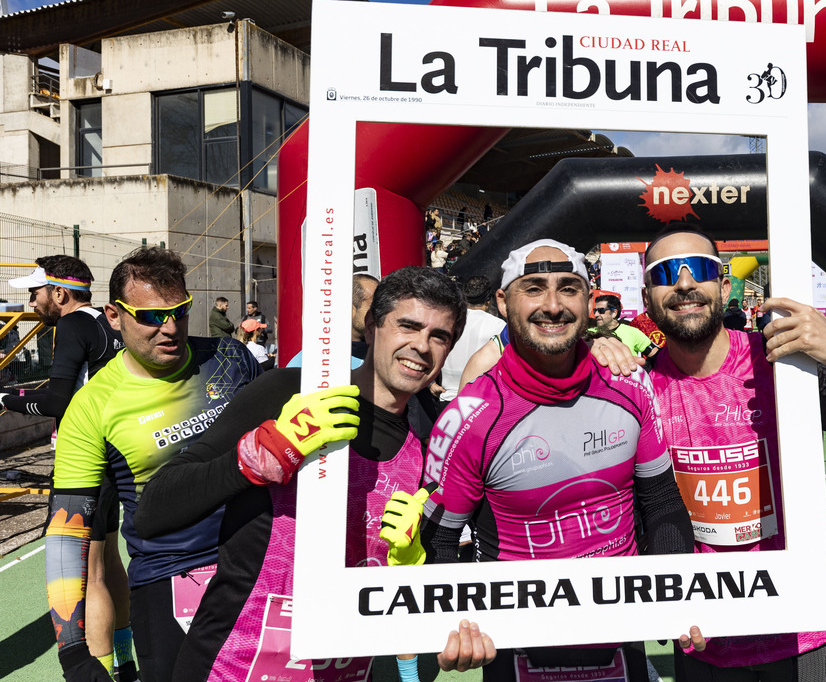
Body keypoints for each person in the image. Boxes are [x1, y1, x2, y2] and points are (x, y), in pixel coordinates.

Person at [135, 267, 494, 680]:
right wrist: (257, 456)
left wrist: (417, 566)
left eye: (439, 336)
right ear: (373, 326)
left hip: (347, 670)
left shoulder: (434, 433)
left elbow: (438, 567)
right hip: (231, 665)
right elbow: (154, 512)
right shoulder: (290, 392)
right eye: (408, 326)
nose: (421, 347)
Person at [639, 224, 826, 682]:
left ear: (723, 286)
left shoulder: (786, 364)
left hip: (798, 631)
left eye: (699, 269)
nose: (684, 284)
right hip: (702, 638)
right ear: (647, 298)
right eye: (666, 274)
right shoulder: (635, 388)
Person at [421, 239, 693, 682]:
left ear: (588, 300)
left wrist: (677, 594)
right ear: (504, 302)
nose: (553, 306)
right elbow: (439, 543)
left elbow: (662, 503)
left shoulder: (630, 385)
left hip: (621, 643)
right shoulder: (468, 414)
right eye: (534, 288)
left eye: (568, 288)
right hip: (517, 653)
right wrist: (455, 624)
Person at [45, 246, 261, 682]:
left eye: (180, 312)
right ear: (113, 315)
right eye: (149, 316)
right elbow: (68, 531)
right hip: (170, 581)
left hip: (259, 562)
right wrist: (73, 652)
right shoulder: (92, 406)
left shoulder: (230, 358)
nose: (169, 328)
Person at [4, 257, 135, 680]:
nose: (31, 300)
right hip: (117, 450)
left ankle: (99, 671)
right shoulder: (107, 321)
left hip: (88, 458)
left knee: (90, 572)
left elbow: (60, 400)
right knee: (110, 562)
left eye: (35, 292)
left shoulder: (72, 325)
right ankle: (126, 662)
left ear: (59, 293)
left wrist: (6, 399)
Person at [287, 272, 378, 369]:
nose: (382, 312)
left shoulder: (383, 353)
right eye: (374, 306)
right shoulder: (309, 361)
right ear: (349, 311)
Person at [436, 275, 505, 402]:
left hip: (444, 399)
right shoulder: (498, 326)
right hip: (479, 402)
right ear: (488, 301)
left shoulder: (448, 321)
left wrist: (431, 384)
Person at [589, 293, 657, 358]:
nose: (596, 314)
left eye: (601, 311)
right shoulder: (589, 333)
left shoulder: (632, 332)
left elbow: (656, 355)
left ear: (614, 313)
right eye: (595, 310)